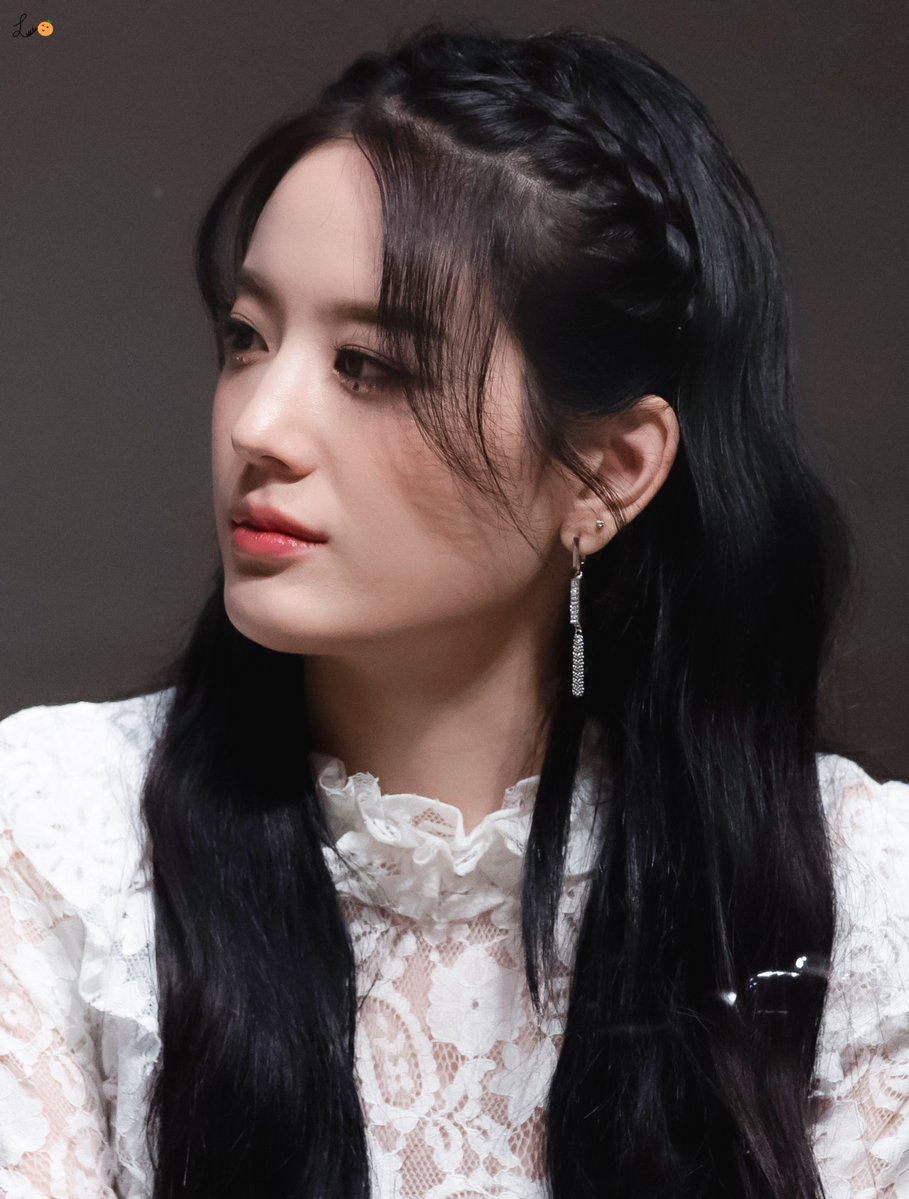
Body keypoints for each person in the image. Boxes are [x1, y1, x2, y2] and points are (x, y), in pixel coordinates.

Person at [1, 19, 907, 1199]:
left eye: (368, 365)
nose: (258, 426)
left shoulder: (859, 894)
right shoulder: (57, 836)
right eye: (247, 337)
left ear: (607, 473)